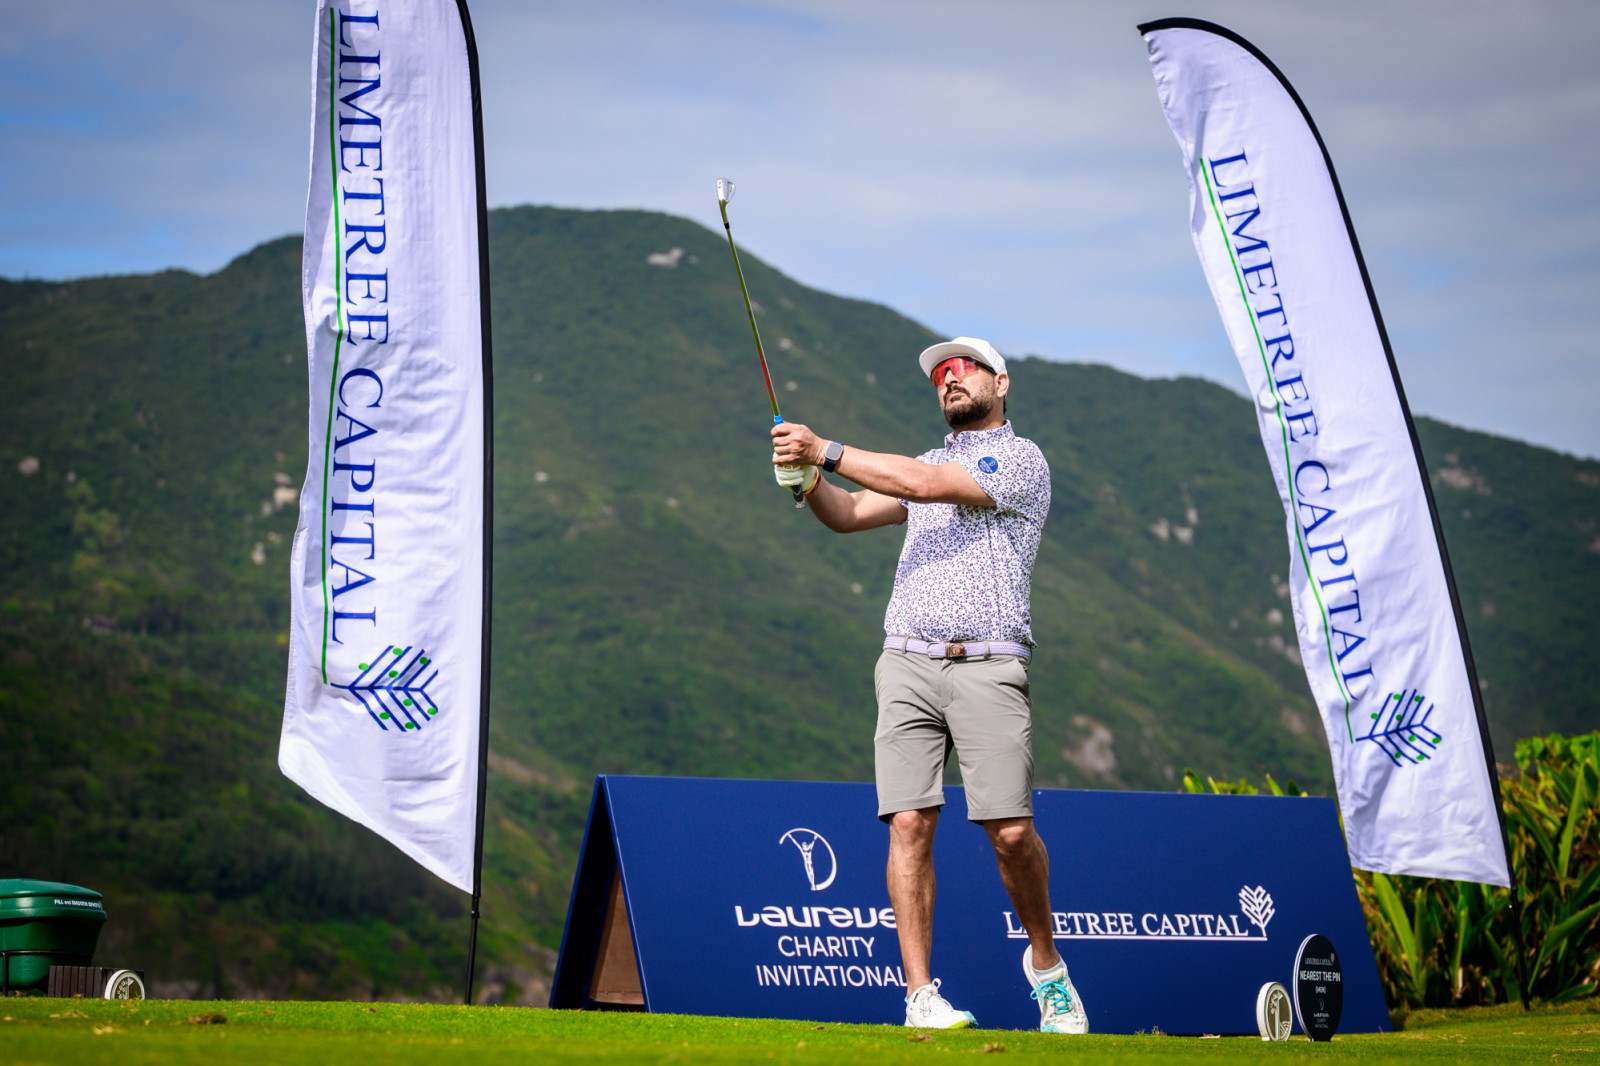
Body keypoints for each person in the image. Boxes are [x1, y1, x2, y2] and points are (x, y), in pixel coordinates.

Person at [769, 337, 1087, 1035]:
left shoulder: (1019, 460)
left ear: (1001, 382)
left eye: (964, 368)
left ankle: (1046, 967)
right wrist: (809, 481)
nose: (950, 378)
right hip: (906, 660)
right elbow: (852, 516)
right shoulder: (926, 463)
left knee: (1009, 832)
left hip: (989, 663)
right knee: (909, 822)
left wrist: (824, 448)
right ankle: (920, 995)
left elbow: (920, 486)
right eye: (941, 374)